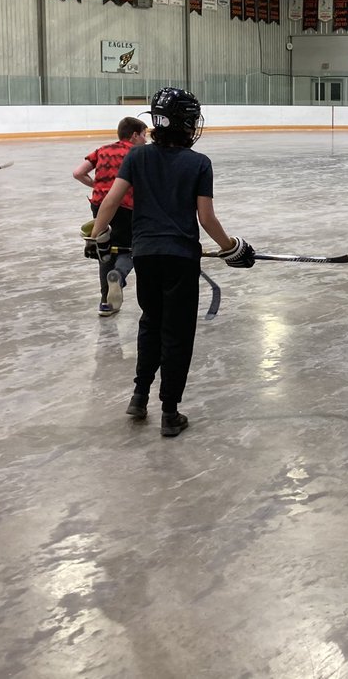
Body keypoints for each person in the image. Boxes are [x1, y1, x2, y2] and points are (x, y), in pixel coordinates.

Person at [88, 87, 255, 438]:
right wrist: (232, 248)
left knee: (150, 322)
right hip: (180, 259)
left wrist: (97, 236)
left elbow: (111, 201)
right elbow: (206, 218)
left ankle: (139, 394)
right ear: (185, 123)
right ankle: (169, 411)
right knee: (177, 333)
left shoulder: (136, 157)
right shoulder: (199, 163)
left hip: (145, 255)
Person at [73, 116, 148, 316]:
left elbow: (78, 173)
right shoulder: (138, 153)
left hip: (99, 207)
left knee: (104, 252)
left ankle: (106, 303)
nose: (146, 140)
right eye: (144, 135)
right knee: (129, 249)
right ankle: (119, 275)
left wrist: (97, 185)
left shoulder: (102, 150)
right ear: (134, 135)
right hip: (126, 208)